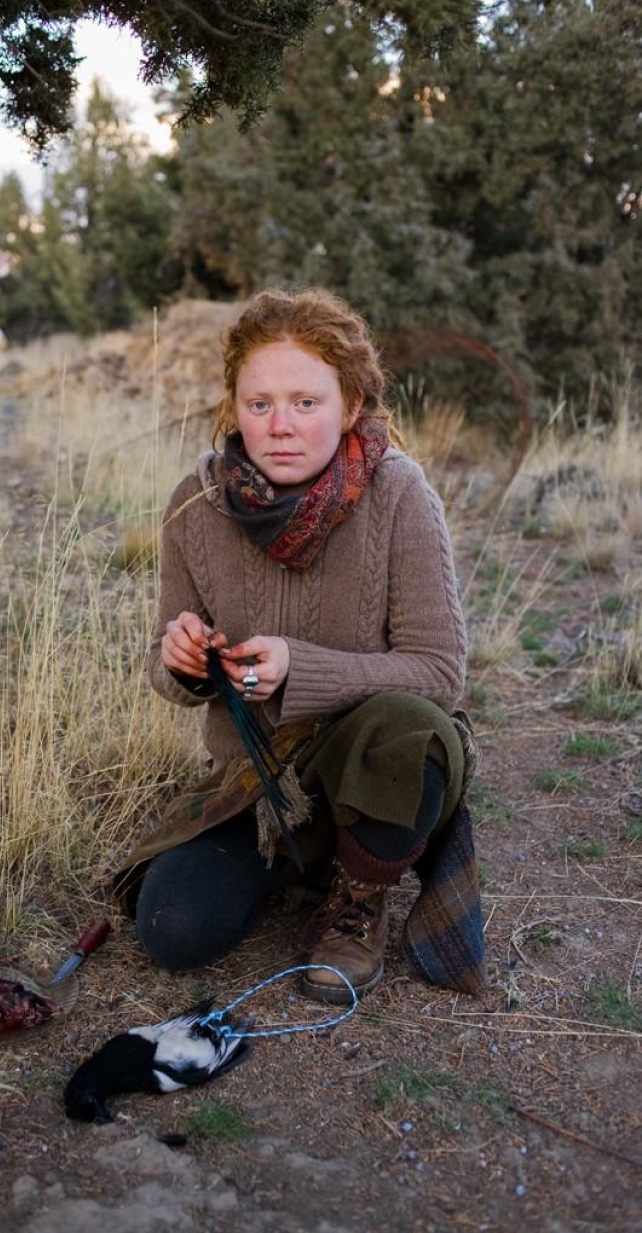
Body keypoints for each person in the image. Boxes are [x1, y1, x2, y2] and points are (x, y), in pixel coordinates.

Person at [114, 287, 485, 1000]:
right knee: (173, 930)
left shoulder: (401, 495)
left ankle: (357, 894)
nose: (280, 425)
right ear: (234, 409)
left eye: (305, 403)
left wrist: (296, 667)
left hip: (373, 777)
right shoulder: (195, 504)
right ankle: (295, 861)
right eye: (259, 405)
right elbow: (163, 666)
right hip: (252, 782)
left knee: (412, 727)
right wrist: (179, 661)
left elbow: (440, 670)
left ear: (350, 407)